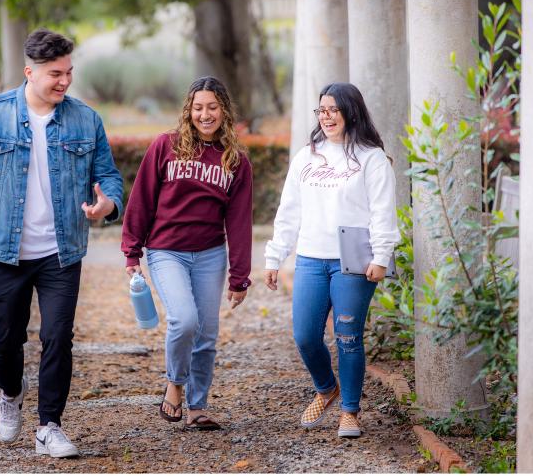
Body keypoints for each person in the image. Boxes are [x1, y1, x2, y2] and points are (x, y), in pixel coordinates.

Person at [0, 28, 123, 458]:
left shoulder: (86, 119)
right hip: (3, 252)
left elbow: (110, 178)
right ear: (30, 72)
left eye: (68, 72)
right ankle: (10, 392)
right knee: (6, 339)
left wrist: (108, 205)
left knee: (59, 336)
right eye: (55, 74)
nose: (64, 81)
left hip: (61, 252)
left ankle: (49, 426)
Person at [264, 82, 399, 438]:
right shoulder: (306, 156)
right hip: (310, 257)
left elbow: (383, 212)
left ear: (350, 112)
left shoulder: (371, 158)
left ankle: (350, 412)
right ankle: (327, 388)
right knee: (305, 336)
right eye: (321, 110)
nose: (326, 117)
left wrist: (382, 256)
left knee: (348, 336)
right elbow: (289, 211)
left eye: (333, 110)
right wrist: (275, 256)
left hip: (352, 261)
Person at [121, 76, 253, 431]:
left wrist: (240, 276)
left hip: (210, 255)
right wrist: (132, 253)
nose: (205, 115)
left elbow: (239, 223)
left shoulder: (236, 161)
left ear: (224, 110)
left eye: (212, 107)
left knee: (207, 333)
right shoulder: (166, 146)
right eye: (198, 108)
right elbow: (141, 200)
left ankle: (198, 406)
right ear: (188, 110)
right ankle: (175, 385)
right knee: (184, 319)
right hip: (167, 252)